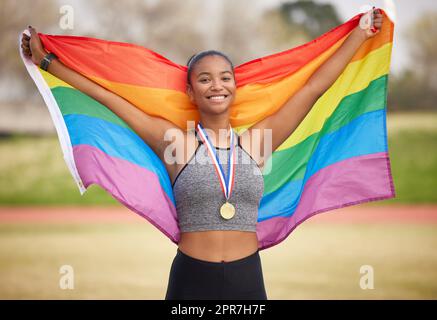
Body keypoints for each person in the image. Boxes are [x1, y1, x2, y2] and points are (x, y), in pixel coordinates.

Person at [20, 9, 383, 300]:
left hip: (247, 278)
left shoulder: (257, 143)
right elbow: (111, 99)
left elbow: (314, 88)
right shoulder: (174, 142)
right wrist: (49, 63)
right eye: (205, 79)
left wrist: (361, 33)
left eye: (226, 77)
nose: (217, 85)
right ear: (191, 92)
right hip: (192, 277)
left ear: (235, 88)